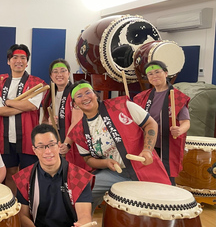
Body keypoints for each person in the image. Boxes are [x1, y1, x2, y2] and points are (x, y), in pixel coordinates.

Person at [68, 80, 171, 210]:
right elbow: (88, 159)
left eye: (88, 92)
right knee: (84, 191)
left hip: (143, 167)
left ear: (95, 94)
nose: (85, 97)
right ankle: (84, 222)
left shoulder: (122, 105)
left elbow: (151, 124)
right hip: (115, 173)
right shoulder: (78, 131)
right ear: (74, 104)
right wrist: (105, 163)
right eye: (79, 96)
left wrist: (148, 150)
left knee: (162, 206)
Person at [13, 124, 93, 227]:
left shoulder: (79, 176)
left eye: (51, 145)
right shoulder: (24, 178)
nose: (48, 151)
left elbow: (84, 215)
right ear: (34, 150)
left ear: (59, 145)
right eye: (41, 147)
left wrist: (81, 224)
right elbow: (23, 216)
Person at [0, 44, 46, 194]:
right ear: (8, 61)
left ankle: (27, 206)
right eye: (14, 57)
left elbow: (32, 106)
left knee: (29, 174)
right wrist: (21, 105)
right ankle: (12, 204)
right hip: (5, 137)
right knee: (10, 173)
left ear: (27, 62)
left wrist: (8, 102)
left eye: (23, 57)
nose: (19, 61)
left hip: (28, 137)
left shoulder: (36, 83)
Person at [133, 60, 190, 185]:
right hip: (147, 145)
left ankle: (169, 204)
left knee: (166, 180)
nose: (154, 76)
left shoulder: (177, 97)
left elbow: (186, 121)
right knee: (147, 178)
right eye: (150, 74)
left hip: (167, 145)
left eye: (157, 72)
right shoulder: (142, 97)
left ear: (166, 73)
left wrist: (180, 130)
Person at [41, 59, 90, 171]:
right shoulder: (49, 95)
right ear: (51, 76)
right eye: (55, 72)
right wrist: (49, 122)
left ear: (68, 73)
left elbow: (76, 122)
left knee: (73, 174)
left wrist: (67, 144)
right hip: (55, 142)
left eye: (63, 71)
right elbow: (43, 122)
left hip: (72, 143)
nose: (59, 74)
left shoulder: (75, 93)